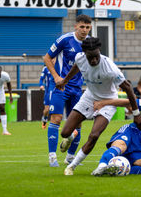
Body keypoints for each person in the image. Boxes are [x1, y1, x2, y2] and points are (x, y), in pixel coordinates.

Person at [54, 37, 141, 176]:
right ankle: (72, 135)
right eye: (91, 57)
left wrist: (136, 114)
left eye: (96, 56)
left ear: (99, 52)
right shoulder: (80, 58)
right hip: (89, 97)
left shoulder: (110, 68)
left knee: (94, 135)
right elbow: (77, 67)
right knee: (64, 133)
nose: (94, 60)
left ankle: (72, 166)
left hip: (108, 101)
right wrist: (65, 81)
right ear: (84, 53)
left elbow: (128, 88)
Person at [43, 14, 92, 167]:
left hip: (77, 89)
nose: (84, 30)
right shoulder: (65, 40)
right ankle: (52, 157)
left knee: (78, 125)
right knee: (56, 120)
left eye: (87, 27)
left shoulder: (90, 43)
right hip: (60, 86)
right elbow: (46, 58)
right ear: (76, 26)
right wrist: (56, 77)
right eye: (82, 27)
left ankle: (70, 158)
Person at [39, 65, 54, 129]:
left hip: (56, 91)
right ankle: (44, 119)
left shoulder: (59, 67)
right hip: (48, 92)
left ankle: (54, 124)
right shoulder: (46, 68)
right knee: (47, 110)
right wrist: (41, 85)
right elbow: (41, 78)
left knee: (55, 108)